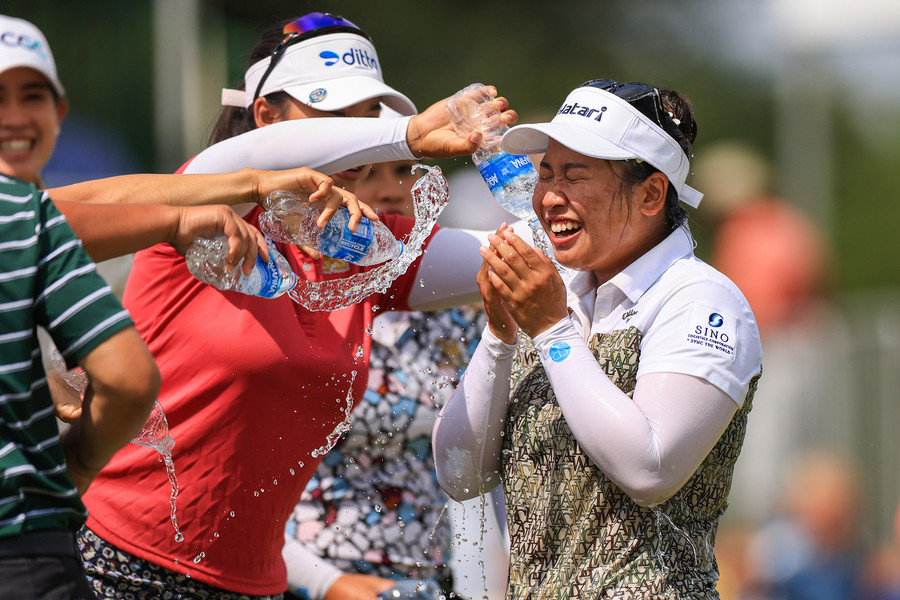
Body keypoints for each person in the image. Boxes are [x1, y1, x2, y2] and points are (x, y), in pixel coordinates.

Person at [74, 12, 519, 599]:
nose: (355, 137)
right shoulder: (203, 210)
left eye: (365, 116)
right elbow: (262, 156)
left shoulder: (363, 248)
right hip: (119, 563)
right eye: (332, 114)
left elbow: (528, 258)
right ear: (266, 116)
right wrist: (404, 137)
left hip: (259, 588)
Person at [432, 79, 764, 598]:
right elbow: (460, 475)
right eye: (545, 174)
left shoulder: (700, 300)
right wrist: (500, 335)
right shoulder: (553, 291)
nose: (549, 197)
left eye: (575, 176)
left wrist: (550, 328)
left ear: (651, 193)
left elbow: (649, 469)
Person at [282, 159, 509, 600]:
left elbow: (491, 467)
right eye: (365, 172)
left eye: (404, 170)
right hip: (306, 579)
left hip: (427, 585)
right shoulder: (297, 302)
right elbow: (235, 486)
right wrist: (328, 584)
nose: (391, 191)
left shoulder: (458, 315)